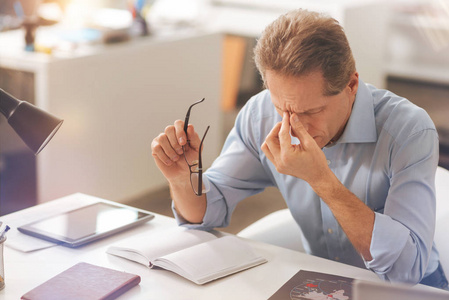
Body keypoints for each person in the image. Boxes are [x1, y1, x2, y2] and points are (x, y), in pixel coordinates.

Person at [151, 9, 448, 289]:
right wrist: (182, 180)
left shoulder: (409, 130)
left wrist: (322, 181)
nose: (293, 127)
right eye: (281, 107)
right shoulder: (259, 114)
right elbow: (209, 212)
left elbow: (407, 271)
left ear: (352, 84)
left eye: (310, 112)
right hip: (322, 283)